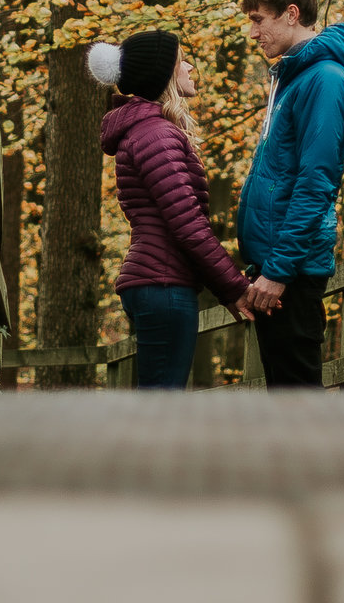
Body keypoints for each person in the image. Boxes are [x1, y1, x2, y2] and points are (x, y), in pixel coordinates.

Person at [234, 0, 344, 388]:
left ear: (291, 14)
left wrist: (277, 272)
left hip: (291, 273)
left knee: (297, 401)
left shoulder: (325, 80)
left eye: (259, 19)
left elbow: (316, 184)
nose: (254, 32)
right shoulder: (293, 78)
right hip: (276, 265)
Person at [91, 30, 254, 389]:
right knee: (161, 408)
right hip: (162, 285)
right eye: (182, 59)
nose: (190, 66)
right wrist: (234, 288)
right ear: (162, 74)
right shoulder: (155, 134)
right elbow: (187, 224)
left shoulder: (151, 131)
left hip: (158, 282)